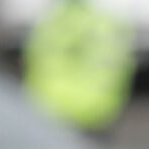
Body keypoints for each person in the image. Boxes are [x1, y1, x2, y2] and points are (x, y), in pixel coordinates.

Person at [21, 0, 137, 137]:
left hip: (49, 110)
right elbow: (122, 66)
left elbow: (34, 57)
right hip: (98, 112)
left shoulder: (51, 20)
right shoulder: (109, 21)